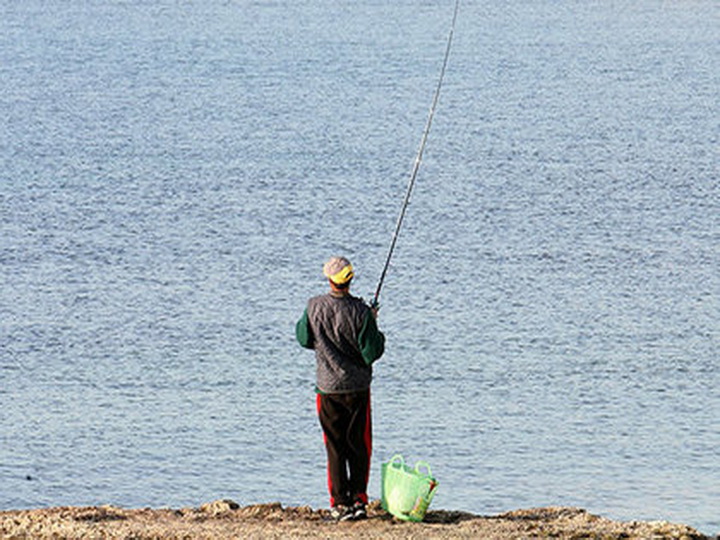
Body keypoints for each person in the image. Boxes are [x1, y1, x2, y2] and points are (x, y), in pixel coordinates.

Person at [296, 256, 385, 522]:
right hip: (357, 389)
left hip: (328, 389)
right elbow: (372, 352)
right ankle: (359, 499)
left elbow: (304, 338)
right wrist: (373, 324)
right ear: (350, 279)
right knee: (360, 445)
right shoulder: (361, 311)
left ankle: (339, 503)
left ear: (329, 279)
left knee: (334, 447)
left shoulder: (314, 306)